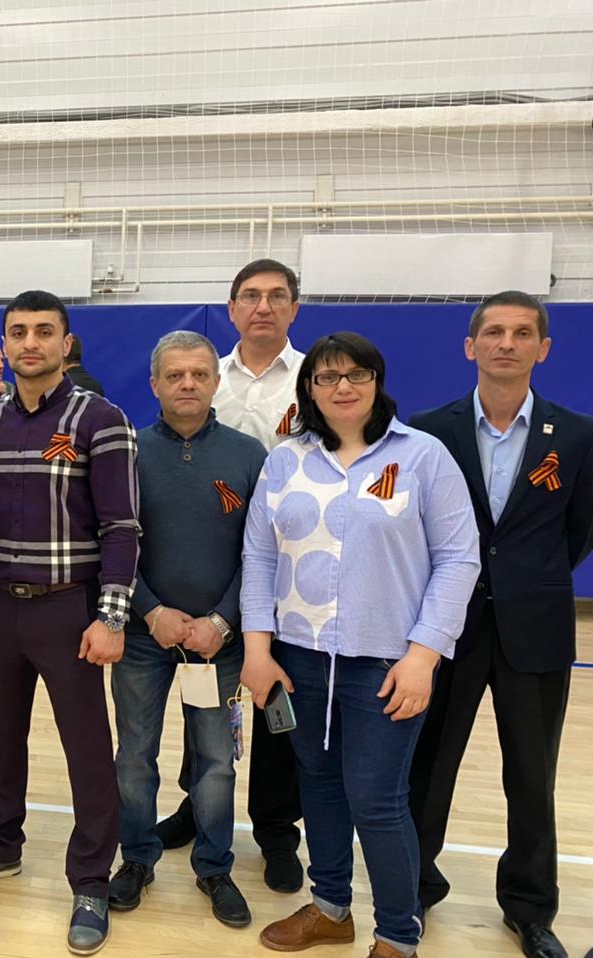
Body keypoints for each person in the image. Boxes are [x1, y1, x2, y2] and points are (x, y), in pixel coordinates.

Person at [241, 332, 480, 958]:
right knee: (318, 786)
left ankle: (398, 935)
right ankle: (330, 909)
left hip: (386, 662)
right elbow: (259, 557)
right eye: (327, 377)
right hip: (299, 659)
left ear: (377, 381)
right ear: (309, 389)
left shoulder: (423, 456)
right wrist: (258, 650)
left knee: (377, 799)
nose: (342, 386)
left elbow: (459, 559)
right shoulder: (284, 461)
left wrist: (424, 655)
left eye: (356, 374)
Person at [0, 289, 139, 956]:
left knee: (87, 749)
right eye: (18, 332)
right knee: (3, 736)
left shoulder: (101, 419)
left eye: (43, 331)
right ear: (4, 343)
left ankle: (91, 880)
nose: (30, 343)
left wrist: (111, 616)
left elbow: (122, 527)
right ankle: (1, 844)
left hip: (68, 609)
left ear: (65, 343)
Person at [408, 291, 593, 958]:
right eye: (493, 332)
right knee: (427, 768)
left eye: (521, 333)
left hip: (534, 627)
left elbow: (578, 532)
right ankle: (414, 890)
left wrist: (524, 580)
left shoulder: (577, 435)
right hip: (447, 626)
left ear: (544, 347)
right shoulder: (430, 430)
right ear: (470, 346)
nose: (506, 343)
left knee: (532, 776)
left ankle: (530, 908)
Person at [156, 257, 308, 894]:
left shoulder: (313, 379)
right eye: (250, 296)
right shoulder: (204, 373)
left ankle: (276, 830)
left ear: (294, 307)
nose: (263, 307)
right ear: (232, 309)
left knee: (276, 702)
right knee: (203, 699)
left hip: (291, 568)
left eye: (276, 296)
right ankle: (198, 806)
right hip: (216, 573)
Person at [108, 331, 265, 929]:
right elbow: (111, 542)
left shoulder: (249, 456)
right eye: (174, 375)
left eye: (199, 373)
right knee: (134, 755)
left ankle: (215, 867)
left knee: (217, 761)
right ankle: (137, 859)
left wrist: (222, 622)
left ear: (216, 381)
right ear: (154, 384)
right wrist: (151, 611)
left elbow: (261, 554)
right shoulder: (128, 452)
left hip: (215, 647)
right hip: (143, 639)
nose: (188, 384)